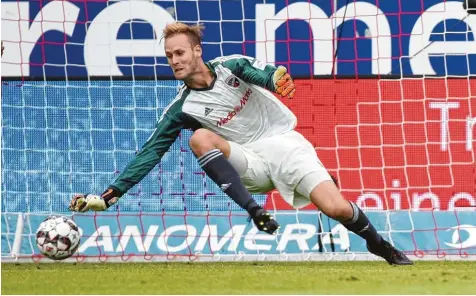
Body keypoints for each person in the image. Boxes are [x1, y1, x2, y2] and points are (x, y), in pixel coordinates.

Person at [70, 22, 412, 265]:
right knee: (200, 138)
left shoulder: (230, 66)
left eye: (180, 52)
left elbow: (262, 74)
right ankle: (255, 211)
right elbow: (150, 153)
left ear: (196, 51)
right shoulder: (181, 108)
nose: (174, 60)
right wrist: (108, 196)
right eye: (169, 55)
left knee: (336, 208)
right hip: (249, 163)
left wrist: (277, 78)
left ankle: (382, 247)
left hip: (284, 145)